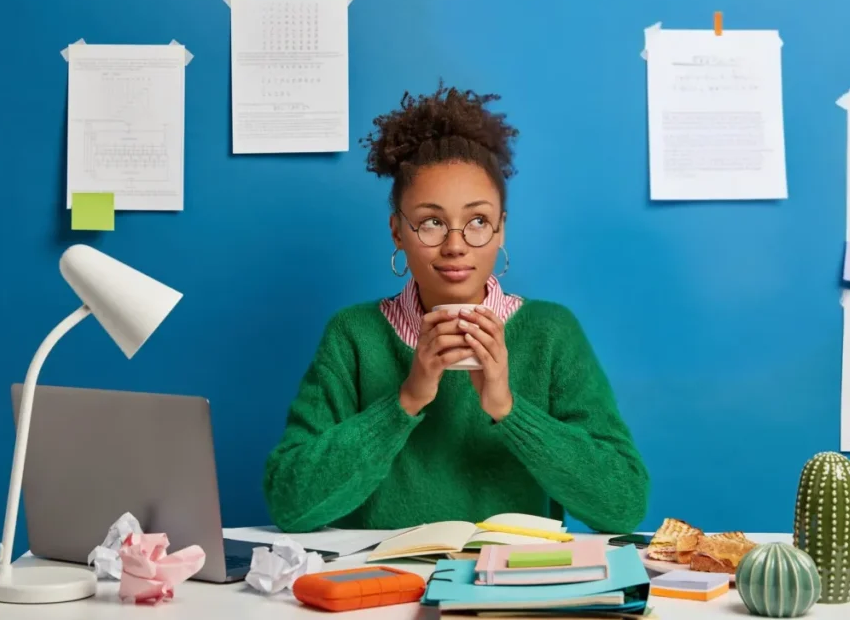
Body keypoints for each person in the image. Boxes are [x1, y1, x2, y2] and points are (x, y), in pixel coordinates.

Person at [263, 83, 649, 535]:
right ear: (397, 232)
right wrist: (407, 400)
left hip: (510, 587)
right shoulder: (354, 334)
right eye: (430, 222)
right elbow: (289, 505)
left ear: (501, 229)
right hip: (385, 589)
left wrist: (507, 407)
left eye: (478, 222)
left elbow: (623, 506)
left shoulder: (550, 332)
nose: (455, 245)